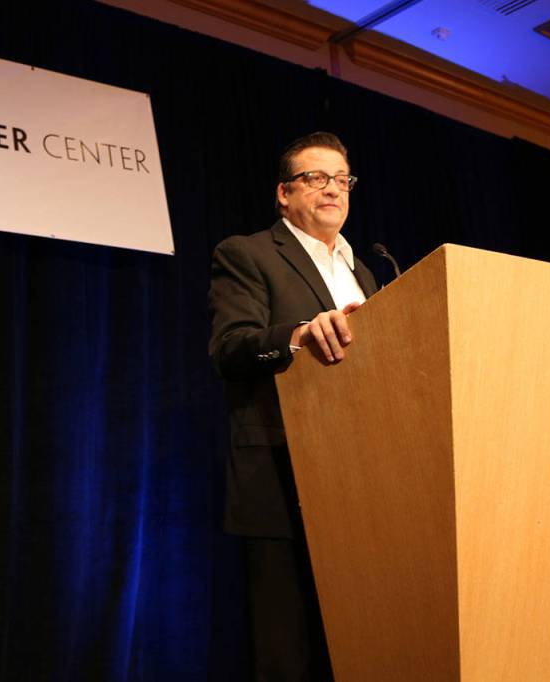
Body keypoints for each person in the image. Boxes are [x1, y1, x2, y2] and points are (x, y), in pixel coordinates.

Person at [207, 132, 378, 681]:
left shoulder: (365, 270)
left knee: (357, 642)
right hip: (283, 475)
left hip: (363, 480)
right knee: (288, 651)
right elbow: (229, 348)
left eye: (342, 179)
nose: (333, 189)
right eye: (316, 177)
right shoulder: (248, 253)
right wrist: (300, 335)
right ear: (284, 193)